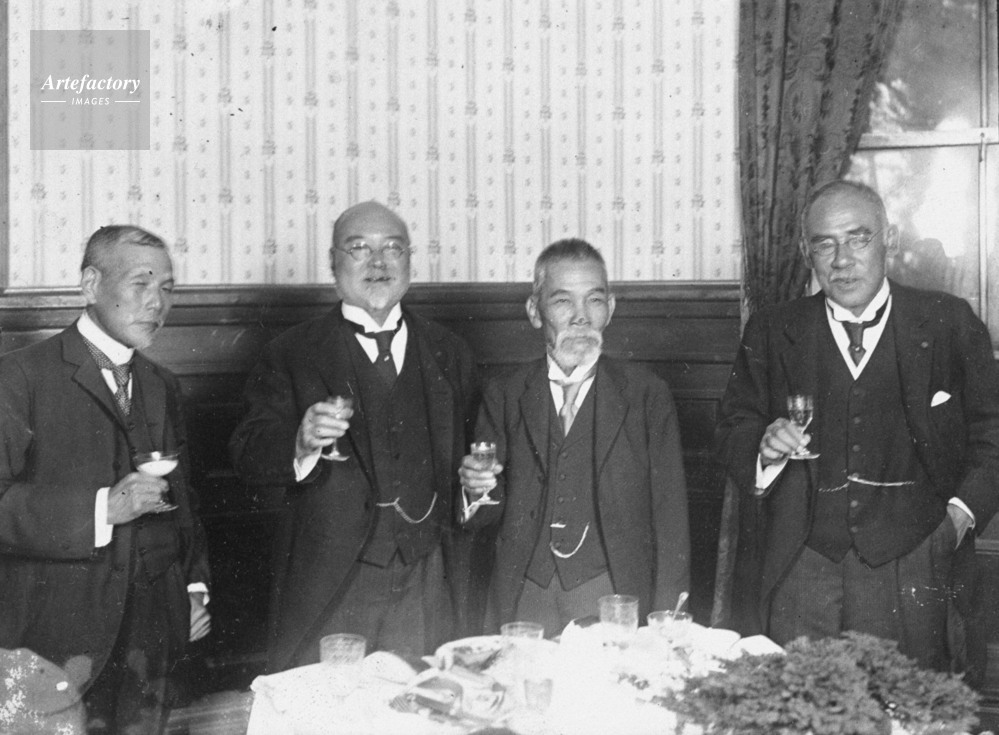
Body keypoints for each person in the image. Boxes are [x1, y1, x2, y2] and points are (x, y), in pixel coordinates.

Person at [715, 180, 999, 671]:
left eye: (858, 238)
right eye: (825, 244)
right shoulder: (772, 329)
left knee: (905, 701)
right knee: (799, 701)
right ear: (806, 252)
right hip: (801, 565)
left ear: (889, 239)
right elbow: (733, 426)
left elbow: (994, 432)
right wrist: (763, 447)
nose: (842, 260)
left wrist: (958, 518)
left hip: (914, 564)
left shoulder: (948, 321)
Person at [229, 201, 479, 671]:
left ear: (410, 260)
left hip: (427, 577)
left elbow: (474, 464)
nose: (378, 263)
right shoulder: (290, 352)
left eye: (393, 249)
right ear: (333, 262)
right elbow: (247, 453)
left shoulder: (450, 352)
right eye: (360, 248)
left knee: (423, 698)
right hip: (333, 580)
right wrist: (300, 442)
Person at [0, 225, 211, 734]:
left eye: (166, 288)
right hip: (53, 641)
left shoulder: (161, 383)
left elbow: (184, 501)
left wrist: (193, 587)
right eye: (140, 283)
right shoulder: (18, 376)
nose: (156, 302)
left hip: (154, 635)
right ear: (91, 285)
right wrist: (102, 509)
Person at [459, 238, 690, 637]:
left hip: (612, 593)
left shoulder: (646, 395)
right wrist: (473, 489)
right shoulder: (504, 394)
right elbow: (485, 513)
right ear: (535, 312)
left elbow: (671, 520)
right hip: (524, 594)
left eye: (594, 300)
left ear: (610, 309)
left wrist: (668, 620)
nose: (581, 317)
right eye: (563, 301)